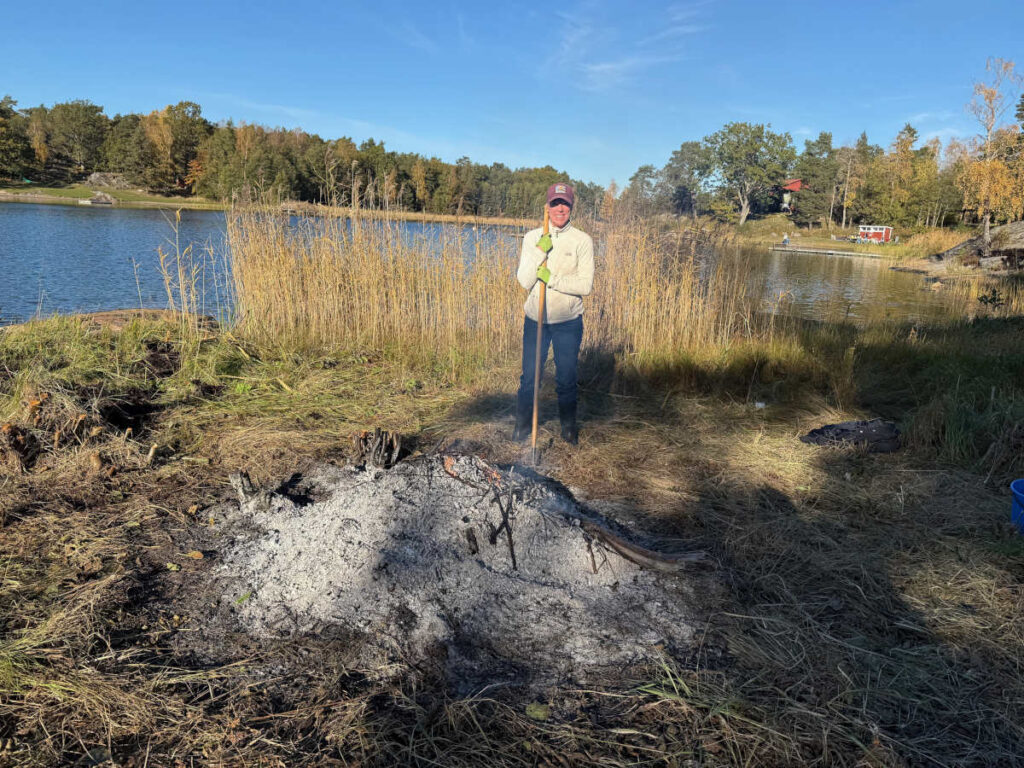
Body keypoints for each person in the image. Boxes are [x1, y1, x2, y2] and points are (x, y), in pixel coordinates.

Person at [511, 183, 594, 445]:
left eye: (565, 204)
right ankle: (523, 427)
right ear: (547, 207)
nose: (560, 208)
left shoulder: (582, 240)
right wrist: (539, 251)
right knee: (529, 378)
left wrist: (553, 279)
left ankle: (568, 430)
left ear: (571, 207)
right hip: (536, 320)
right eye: (556, 203)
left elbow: (585, 286)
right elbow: (524, 281)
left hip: (568, 322)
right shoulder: (532, 237)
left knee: (566, 379)